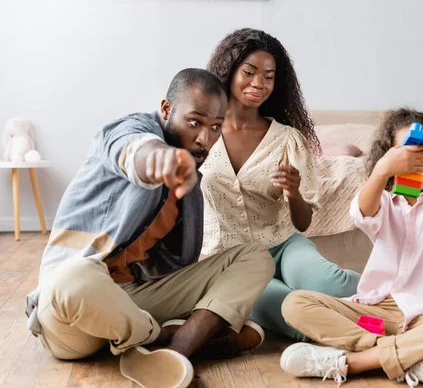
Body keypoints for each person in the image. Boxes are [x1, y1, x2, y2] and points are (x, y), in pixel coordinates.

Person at [25, 68, 275, 388]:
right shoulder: (127, 130)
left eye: (215, 127)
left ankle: (176, 349)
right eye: (195, 122)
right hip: (71, 315)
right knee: (73, 278)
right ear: (167, 109)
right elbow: (132, 149)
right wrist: (160, 158)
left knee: (255, 256)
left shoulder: (191, 185)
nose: (205, 139)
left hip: (132, 300)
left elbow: (173, 267)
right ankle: (163, 337)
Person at [279, 108, 423, 387]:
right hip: (373, 314)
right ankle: (408, 357)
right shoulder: (384, 200)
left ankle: (358, 361)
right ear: (388, 157)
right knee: (295, 303)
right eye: (407, 155)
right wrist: (383, 170)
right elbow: (362, 212)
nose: (420, 163)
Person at [204, 28, 360, 340]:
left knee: (329, 285)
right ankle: (376, 330)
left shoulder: (289, 139)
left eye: (269, 76)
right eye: (249, 72)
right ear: (228, 71)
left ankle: (395, 299)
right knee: (294, 311)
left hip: (284, 246)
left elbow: (303, 222)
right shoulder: (200, 133)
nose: (259, 84)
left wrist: (293, 192)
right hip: (230, 262)